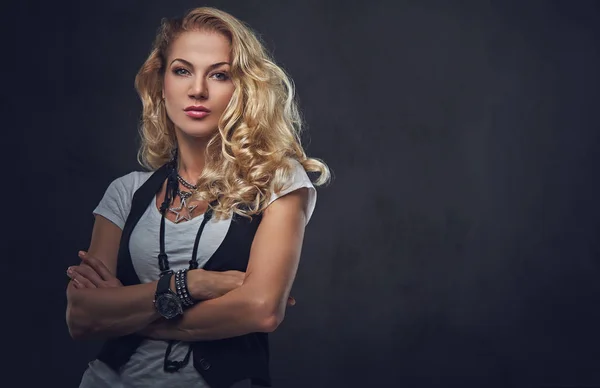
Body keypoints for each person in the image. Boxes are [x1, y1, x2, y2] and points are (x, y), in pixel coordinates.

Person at [65, 6, 330, 388]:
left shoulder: (278, 182)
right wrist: (195, 285)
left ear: (243, 88)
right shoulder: (126, 191)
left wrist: (128, 314)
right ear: (161, 82)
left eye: (219, 74)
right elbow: (82, 317)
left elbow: (261, 310)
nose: (198, 90)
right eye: (182, 70)